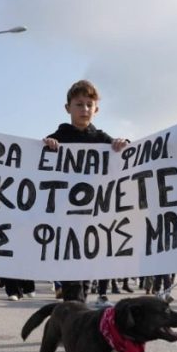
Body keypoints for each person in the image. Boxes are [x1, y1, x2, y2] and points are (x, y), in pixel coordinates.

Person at [42, 80, 128, 305]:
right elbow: (37, 165)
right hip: (65, 220)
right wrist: (47, 145)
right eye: (79, 104)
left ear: (96, 109)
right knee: (71, 281)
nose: (84, 109)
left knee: (86, 276)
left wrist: (123, 143)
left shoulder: (101, 139)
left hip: (93, 218)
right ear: (68, 108)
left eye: (89, 105)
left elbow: (127, 156)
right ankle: (74, 319)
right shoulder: (58, 137)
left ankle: (75, 318)